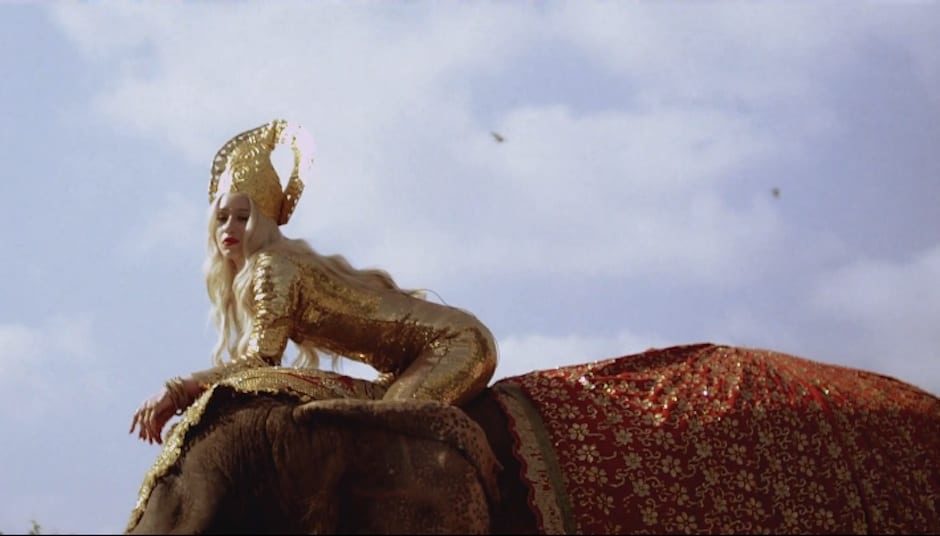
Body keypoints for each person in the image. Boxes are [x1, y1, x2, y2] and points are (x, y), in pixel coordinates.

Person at [129, 119, 497, 444]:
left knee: (384, 432)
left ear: (262, 223)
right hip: (405, 366)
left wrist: (179, 390)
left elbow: (262, 359)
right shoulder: (267, 268)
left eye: (242, 217)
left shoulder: (273, 266)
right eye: (222, 217)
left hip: (455, 343)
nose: (229, 227)